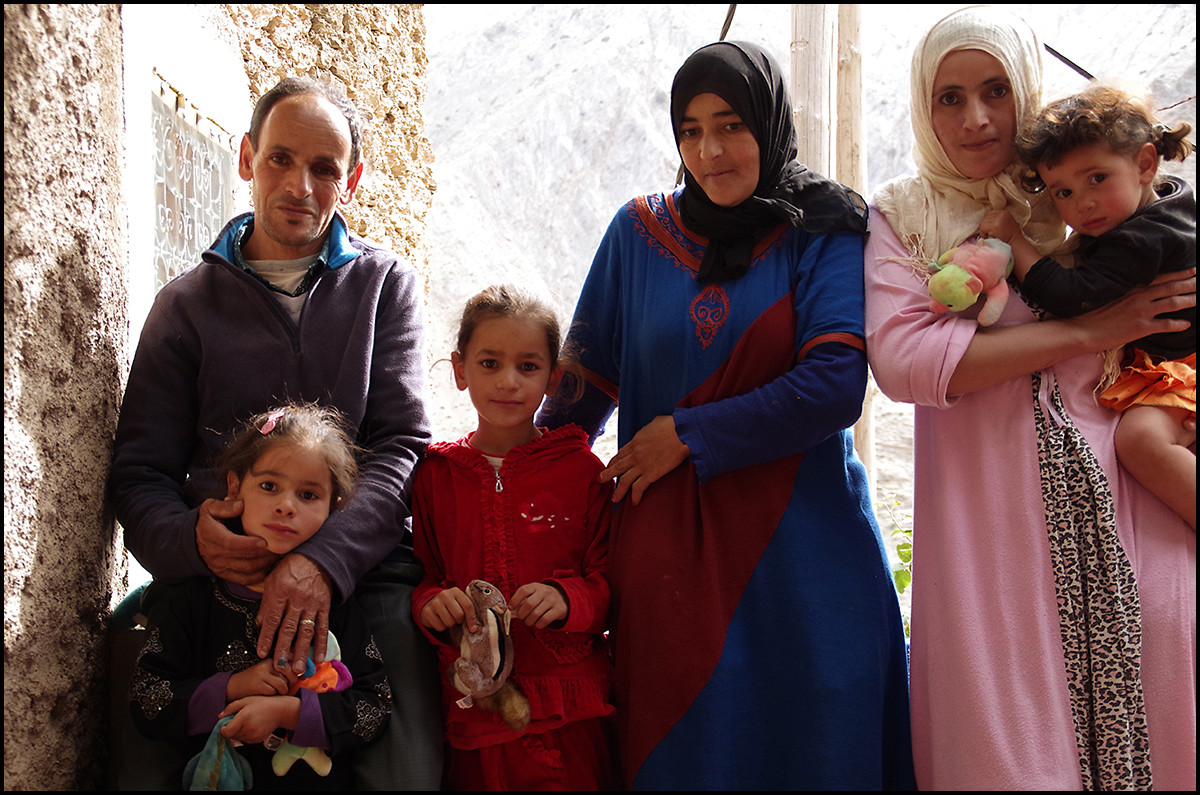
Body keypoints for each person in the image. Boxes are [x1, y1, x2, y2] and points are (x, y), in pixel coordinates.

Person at [537, 41, 916, 790]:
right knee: (686, 754)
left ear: (769, 125)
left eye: (731, 124)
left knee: (823, 746)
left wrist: (688, 432)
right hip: (669, 564)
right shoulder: (636, 234)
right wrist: (505, 484)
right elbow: (578, 399)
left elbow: (838, 382)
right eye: (690, 129)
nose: (709, 150)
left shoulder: (826, 224)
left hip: (807, 557)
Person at [863, 6, 1197, 790]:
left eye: (995, 90)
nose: (976, 118)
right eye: (950, 97)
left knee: (1166, 720)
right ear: (924, 104)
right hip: (992, 528)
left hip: (1130, 502)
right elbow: (908, 362)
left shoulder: (1083, 192)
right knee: (1009, 748)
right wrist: (1092, 329)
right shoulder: (905, 217)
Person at [109, 77, 442, 789]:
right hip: (211, 587)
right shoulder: (186, 305)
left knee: (407, 771)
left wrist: (324, 561)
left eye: (325, 168)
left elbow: (403, 446)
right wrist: (191, 540)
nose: (300, 184)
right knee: (139, 754)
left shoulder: (385, 287)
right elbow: (139, 474)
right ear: (246, 158)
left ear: (350, 181)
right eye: (281, 159)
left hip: (362, 578)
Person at [411, 285, 618, 790]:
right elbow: (424, 577)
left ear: (554, 379)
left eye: (528, 366)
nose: (508, 382)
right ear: (459, 370)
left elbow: (610, 581)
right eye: (489, 363)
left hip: (567, 706)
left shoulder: (580, 470)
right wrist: (433, 606)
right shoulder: (436, 476)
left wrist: (568, 599)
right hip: (475, 707)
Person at [130, 404, 390, 789]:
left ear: (334, 507)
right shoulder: (191, 595)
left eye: (308, 494)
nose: (286, 505)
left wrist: (289, 713)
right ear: (234, 487)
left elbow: (374, 708)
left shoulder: (333, 602)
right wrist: (232, 687)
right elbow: (147, 700)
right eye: (269, 486)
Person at [978, 84, 1196, 529]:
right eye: (1063, 193)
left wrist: (1015, 241)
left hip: (1182, 368)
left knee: (1140, 442)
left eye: (1097, 178)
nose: (1084, 203)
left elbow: (1070, 296)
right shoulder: (1175, 198)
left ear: (1144, 164)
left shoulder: (1141, 240)